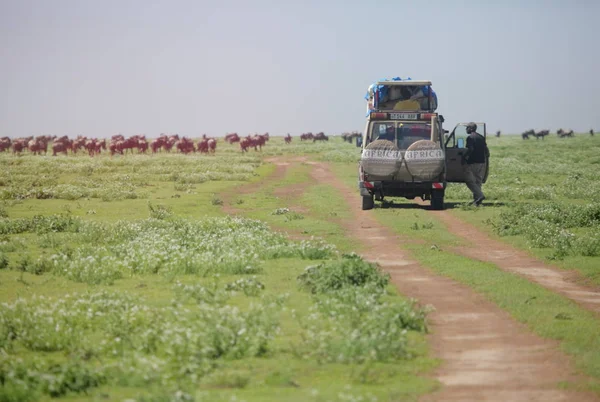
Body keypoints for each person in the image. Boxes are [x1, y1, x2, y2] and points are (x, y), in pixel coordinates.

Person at [461, 122, 489, 206]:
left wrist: (464, 157)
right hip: (481, 162)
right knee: (478, 181)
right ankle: (477, 200)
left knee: (469, 181)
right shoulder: (481, 137)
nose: (466, 129)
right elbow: (486, 151)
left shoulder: (470, 138)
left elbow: (471, 149)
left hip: (472, 162)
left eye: (467, 128)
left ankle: (480, 195)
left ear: (471, 129)